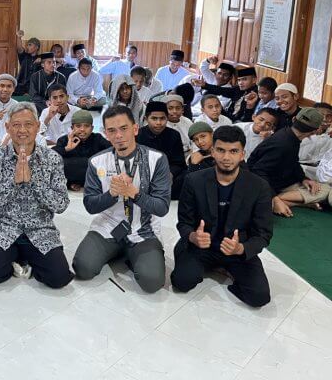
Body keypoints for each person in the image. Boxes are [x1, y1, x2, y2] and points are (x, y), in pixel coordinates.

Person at [72, 106, 171, 293]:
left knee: (152, 282)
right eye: (112, 130)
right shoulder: (96, 161)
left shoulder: (157, 159)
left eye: (124, 128)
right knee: (83, 269)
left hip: (144, 228)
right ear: (105, 134)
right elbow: (90, 206)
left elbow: (162, 207)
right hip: (108, 226)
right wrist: (111, 194)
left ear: (135, 129)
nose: (118, 135)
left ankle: (132, 253)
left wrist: (135, 193)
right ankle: (120, 250)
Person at [171, 126, 273, 307]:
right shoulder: (194, 180)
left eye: (233, 151)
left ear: (242, 154)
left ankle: (227, 270)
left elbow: (263, 234)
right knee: (181, 282)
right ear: (212, 152)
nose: (226, 157)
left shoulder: (259, 187)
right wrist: (193, 236)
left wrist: (241, 248)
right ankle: (214, 266)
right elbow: (184, 222)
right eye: (220, 150)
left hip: (237, 250)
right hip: (201, 247)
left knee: (259, 297)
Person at [0, 102, 72, 288]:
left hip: (39, 228)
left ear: (37, 126)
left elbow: (61, 204)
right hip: (2, 227)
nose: (22, 130)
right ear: (7, 127)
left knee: (59, 278)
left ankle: (24, 259)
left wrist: (33, 181)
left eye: (28, 124)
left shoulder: (52, 159)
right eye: (16, 125)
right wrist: (13, 182)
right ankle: (16, 259)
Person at [247, 107, 331, 217]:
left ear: (294, 119)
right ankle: (274, 202)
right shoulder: (283, 143)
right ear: (315, 131)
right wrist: (275, 199)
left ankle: (279, 201)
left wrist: (304, 179)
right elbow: (258, 171)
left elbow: (293, 161)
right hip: (263, 183)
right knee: (325, 191)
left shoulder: (289, 134)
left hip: (279, 180)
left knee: (322, 189)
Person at [52, 110, 111, 191]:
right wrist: (67, 148)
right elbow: (49, 156)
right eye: (78, 126)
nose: (82, 129)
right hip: (71, 177)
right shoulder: (64, 140)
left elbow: (113, 151)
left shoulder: (98, 138)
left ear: (92, 128)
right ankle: (71, 184)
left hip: (94, 177)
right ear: (72, 128)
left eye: (86, 126)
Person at [137, 101, 187, 182]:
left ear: (167, 118)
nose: (159, 123)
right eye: (154, 118)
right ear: (146, 119)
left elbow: (179, 163)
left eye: (162, 118)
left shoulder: (174, 135)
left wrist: (170, 173)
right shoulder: (137, 136)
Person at [15, 30, 41, 95]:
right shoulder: (24, 56)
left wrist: (42, 59)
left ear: (36, 47)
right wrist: (19, 37)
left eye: (30, 45)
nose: (27, 47)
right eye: (27, 45)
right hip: (21, 87)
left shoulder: (41, 58)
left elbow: (54, 59)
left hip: (34, 88)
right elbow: (19, 48)